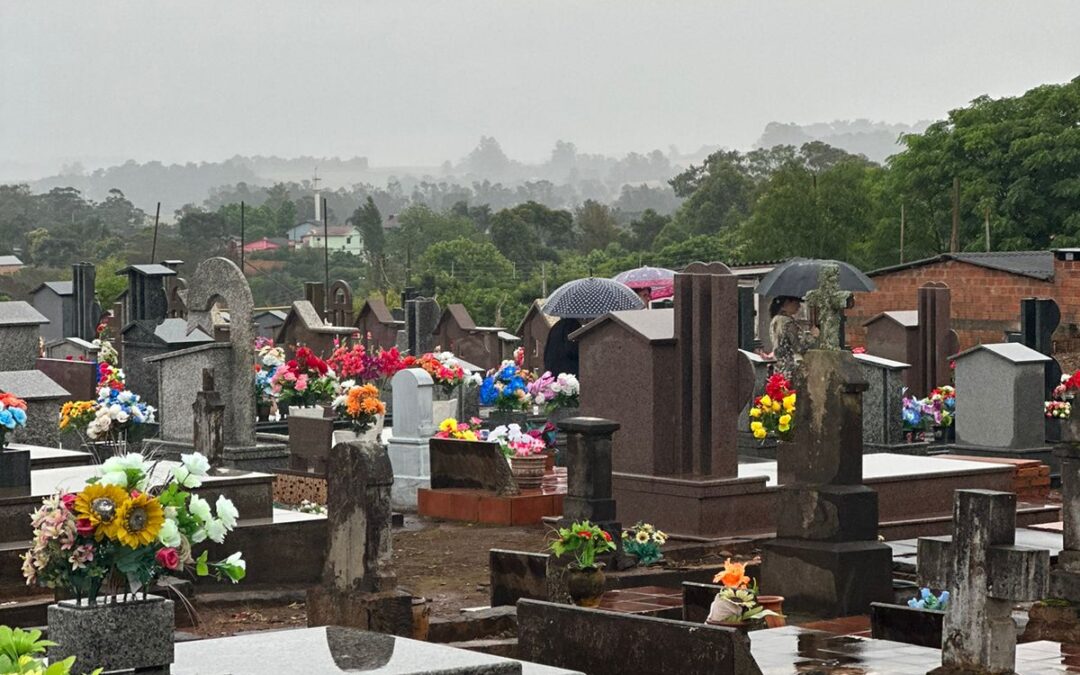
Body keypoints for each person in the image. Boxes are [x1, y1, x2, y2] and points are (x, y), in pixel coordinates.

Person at [769, 296, 817, 380]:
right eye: (796, 302)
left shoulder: (775, 320)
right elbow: (799, 347)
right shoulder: (787, 322)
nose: (799, 306)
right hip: (791, 367)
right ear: (787, 303)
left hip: (779, 366)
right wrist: (812, 336)